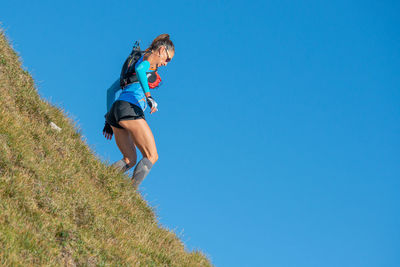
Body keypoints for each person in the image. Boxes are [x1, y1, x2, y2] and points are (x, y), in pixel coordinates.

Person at [103, 34, 175, 189]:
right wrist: (148, 96)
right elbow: (141, 69)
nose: (166, 63)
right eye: (167, 59)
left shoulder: (132, 70)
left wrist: (108, 120)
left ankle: (100, 179)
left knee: (129, 159)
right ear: (162, 50)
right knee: (152, 156)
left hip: (116, 110)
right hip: (130, 108)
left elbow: (110, 91)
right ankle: (129, 193)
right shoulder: (147, 61)